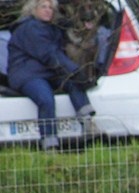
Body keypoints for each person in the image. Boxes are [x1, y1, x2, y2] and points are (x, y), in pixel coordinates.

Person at [7, 0, 96, 151]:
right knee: (46, 98)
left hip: (47, 72)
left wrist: (75, 76)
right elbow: (50, 54)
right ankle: (50, 145)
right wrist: (75, 72)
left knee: (73, 83)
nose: (48, 10)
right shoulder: (30, 28)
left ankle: (89, 124)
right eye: (43, 7)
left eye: (50, 8)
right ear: (33, 9)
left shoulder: (52, 28)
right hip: (27, 74)